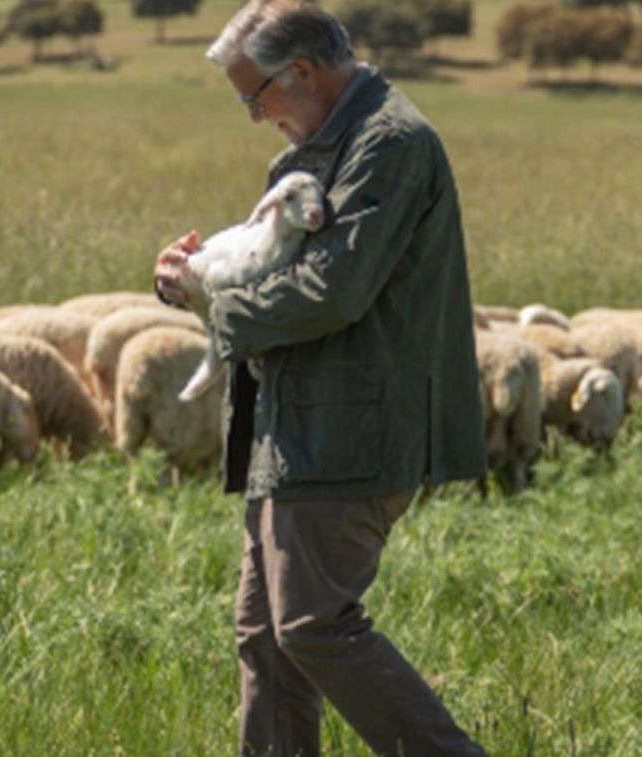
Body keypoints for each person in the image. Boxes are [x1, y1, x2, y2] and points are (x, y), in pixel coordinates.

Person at [153, 2, 488, 754]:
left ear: (299, 71)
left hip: (350, 427)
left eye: (254, 96)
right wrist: (189, 276)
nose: (253, 115)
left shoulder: (389, 145)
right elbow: (279, 264)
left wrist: (218, 298)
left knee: (312, 623)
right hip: (297, 423)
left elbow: (332, 289)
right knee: (268, 637)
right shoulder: (325, 144)